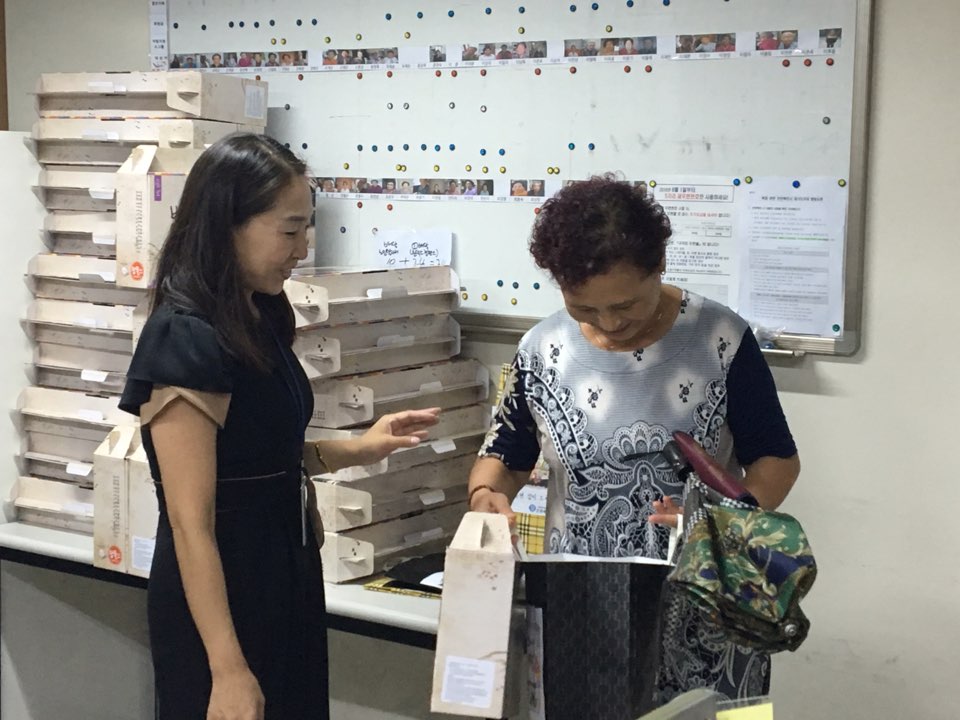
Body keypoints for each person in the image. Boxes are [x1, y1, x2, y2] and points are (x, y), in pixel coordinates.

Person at [119, 134, 440, 720]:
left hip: (284, 570)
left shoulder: (258, 312)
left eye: (306, 228)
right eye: (289, 231)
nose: (302, 248)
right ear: (227, 225)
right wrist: (227, 668)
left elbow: (259, 459)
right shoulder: (183, 337)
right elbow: (191, 522)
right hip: (222, 597)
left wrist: (361, 448)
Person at [468, 176, 800, 704]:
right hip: (580, 609)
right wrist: (486, 495)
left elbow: (777, 461)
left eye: (625, 304)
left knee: (721, 714)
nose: (609, 321)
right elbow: (505, 456)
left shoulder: (722, 339)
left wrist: (721, 523)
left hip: (711, 599)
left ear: (660, 264)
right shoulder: (540, 349)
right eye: (584, 308)